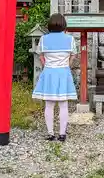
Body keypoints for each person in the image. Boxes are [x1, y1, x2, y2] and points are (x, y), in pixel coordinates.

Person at [32, 13, 78, 141]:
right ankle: (62, 134)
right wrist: (67, 64)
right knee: (63, 104)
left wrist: (46, 64)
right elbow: (73, 55)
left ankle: (50, 133)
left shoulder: (44, 39)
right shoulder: (70, 39)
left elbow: (40, 55)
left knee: (49, 104)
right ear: (64, 25)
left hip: (49, 72)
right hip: (63, 72)